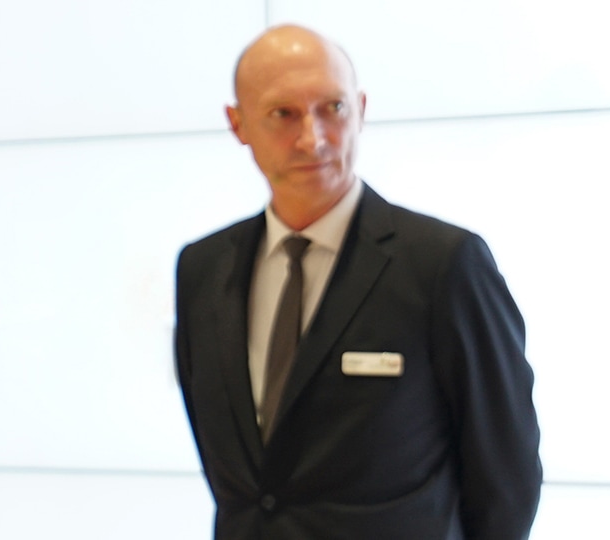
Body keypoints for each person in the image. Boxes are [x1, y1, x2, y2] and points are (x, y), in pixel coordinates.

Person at [174, 25, 541, 539]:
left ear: (361, 109)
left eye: (334, 108)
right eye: (283, 114)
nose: (313, 138)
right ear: (238, 124)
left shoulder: (442, 264)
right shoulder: (204, 269)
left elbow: (507, 475)